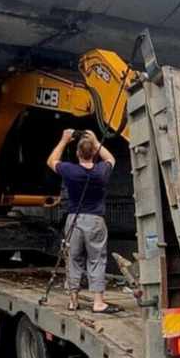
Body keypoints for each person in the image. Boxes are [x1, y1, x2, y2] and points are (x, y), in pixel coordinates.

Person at [46, 129, 119, 313]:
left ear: (78, 153)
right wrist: (96, 141)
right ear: (94, 152)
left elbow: (51, 161)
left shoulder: (70, 171)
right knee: (96, 259)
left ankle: (73, 301)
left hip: (75, 219)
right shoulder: (101, 171)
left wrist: (64, 140)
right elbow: (111, 158)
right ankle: (98, 302)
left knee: (73, 259)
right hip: (95, 220)